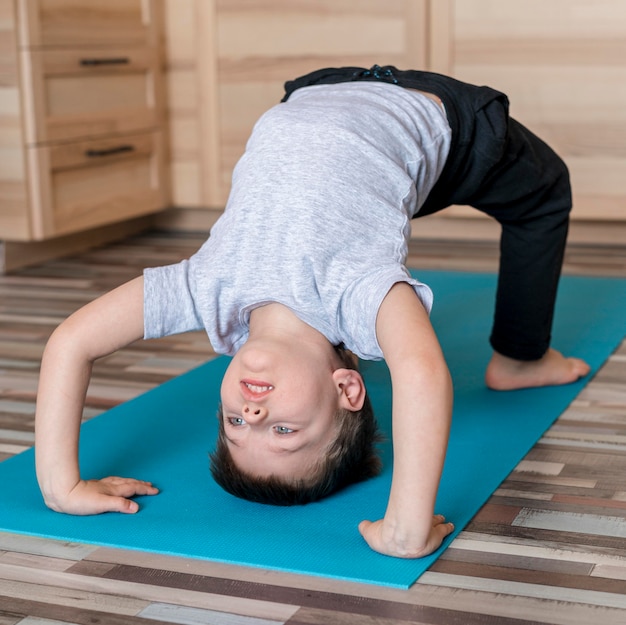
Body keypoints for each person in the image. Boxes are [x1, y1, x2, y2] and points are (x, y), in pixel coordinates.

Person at [34, 65, 590, 559]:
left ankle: (515, 354)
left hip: (320, 89)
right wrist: (404, 526)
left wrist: (63, 487)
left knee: (389, 187)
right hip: (435, 114)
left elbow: (71, 343)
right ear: (349, 389)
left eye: (233, 425)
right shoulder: (359, 296)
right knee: (543, 191)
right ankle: (520, 358)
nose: (249, 417)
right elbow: (422, 373)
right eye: (282, 429)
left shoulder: (206, 288)